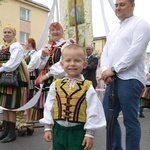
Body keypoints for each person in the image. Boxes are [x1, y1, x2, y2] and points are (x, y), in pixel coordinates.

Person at [100, 0, 150, 149]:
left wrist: (114, 69)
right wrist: (104, 71)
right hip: (113, 79)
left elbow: (135, 52)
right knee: (109, 117)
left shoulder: (141, 24)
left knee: (130, 120)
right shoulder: (114, 30)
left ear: (132, 5)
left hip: (130, 79)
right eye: (116, 5)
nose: (118, 8)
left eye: (122, 4)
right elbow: (105, 53)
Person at [40, 44, 106, 150]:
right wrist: (47, 128)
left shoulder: (87, 86)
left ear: (84, 64)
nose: (72, 64)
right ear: (62, 64)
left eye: (77, 61)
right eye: (68, 60)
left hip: (78, 131)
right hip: (58, 130)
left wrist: (89, 134)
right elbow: (49, 106)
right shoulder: (55, 85)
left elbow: (93, 110)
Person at [28, 22, 73, 121]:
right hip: (48, 82)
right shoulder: (49, 46)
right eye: (52, 30)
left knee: (58, 109)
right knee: (48, 110)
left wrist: (47, 75)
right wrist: (43, 56)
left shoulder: (66, 45)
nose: (55, 32)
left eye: (57, 29)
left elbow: (64, 65)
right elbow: (39, 65)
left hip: (61, 80)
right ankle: (49, 132)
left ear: (62, 31)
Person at [0, 25, 30, 143]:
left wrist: (1, 69)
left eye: (9, 32)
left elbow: (13, 63)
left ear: (14, 34)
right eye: (5, 32)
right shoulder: (3, 46)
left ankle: (11, 132)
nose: (7, 34)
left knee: (10, 106)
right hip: (3, 78)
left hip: (12, 78)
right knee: (5, 105)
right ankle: (6, 131)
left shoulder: (16, 46)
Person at [23, 38, 37, 122]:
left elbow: (33, 67)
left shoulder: (34, 54)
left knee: (31, 96)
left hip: (31, 77)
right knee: (27, 97)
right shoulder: (27, 54)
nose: (24, 44)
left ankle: (31, 117)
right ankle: (28, 117)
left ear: (30, 44)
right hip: (26, 77)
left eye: (26, 42)